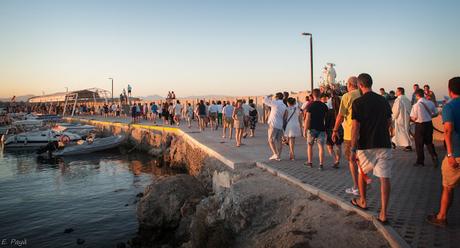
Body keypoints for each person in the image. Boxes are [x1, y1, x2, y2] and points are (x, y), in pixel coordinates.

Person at [350, 73, 393, 224]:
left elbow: (355, 127)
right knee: (385, 178)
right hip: (384, 143)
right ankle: (383, 214)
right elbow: (389, 122)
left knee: (363, 173)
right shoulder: (383, 100)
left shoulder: (358, 102)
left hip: (365, 145)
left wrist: (353, 148)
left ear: (360, 86)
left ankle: (363, 201)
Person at [426, 77, 460, 228]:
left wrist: (450, 154)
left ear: (449, 90)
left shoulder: (449, 107)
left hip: (457, 155)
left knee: (448, 187)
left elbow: (447, 130)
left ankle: (442, 216)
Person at [333, 76, 361, 196]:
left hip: (351, 134)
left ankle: (356, 186)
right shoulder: (363, 95)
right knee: (362, 160)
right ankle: (363, 182)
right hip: (365, 133)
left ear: (349, 84)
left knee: (352, 160)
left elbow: (340, 115)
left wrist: (334, 130)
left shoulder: (347, 96)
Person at [410, 89, 439, 167]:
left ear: (416, 96)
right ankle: (434, 156)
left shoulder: (415, 105)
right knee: (429, 142)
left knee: (419, 144)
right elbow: (436, 113)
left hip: (420, 125)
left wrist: (411, 119)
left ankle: (420, 161)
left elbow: (414, 118)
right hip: (429, 124)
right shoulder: (430, 103)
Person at [304, 89, 328, 170]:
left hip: (312, 129)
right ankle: (321, 164)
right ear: (320, 95)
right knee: (321, 147)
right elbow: (326, 119)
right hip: (321, 128)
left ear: (313, 95)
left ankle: (310, 162)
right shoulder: (324, 106)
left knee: (310, 146)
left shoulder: (310, 105)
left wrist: (305, 129)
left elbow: (307, 119)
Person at [264, 92, 287, 161]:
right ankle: (278, 156)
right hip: (280, 125)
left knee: (270, 139)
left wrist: (268, 95)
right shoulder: (284, 105)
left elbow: (264, 100)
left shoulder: (275, 103)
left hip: (273, 124)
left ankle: (275, 154)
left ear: (276, 97)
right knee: (279, 141)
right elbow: (285, 116)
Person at [325, 92, 343, 168]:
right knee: (338, 146)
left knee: (329, 146)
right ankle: (338, 160)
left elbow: (326, 123)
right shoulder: (341, 112)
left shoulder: (329, 112)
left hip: (330, 130)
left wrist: (325, 131)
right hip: (340, 130)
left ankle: (335, 159)